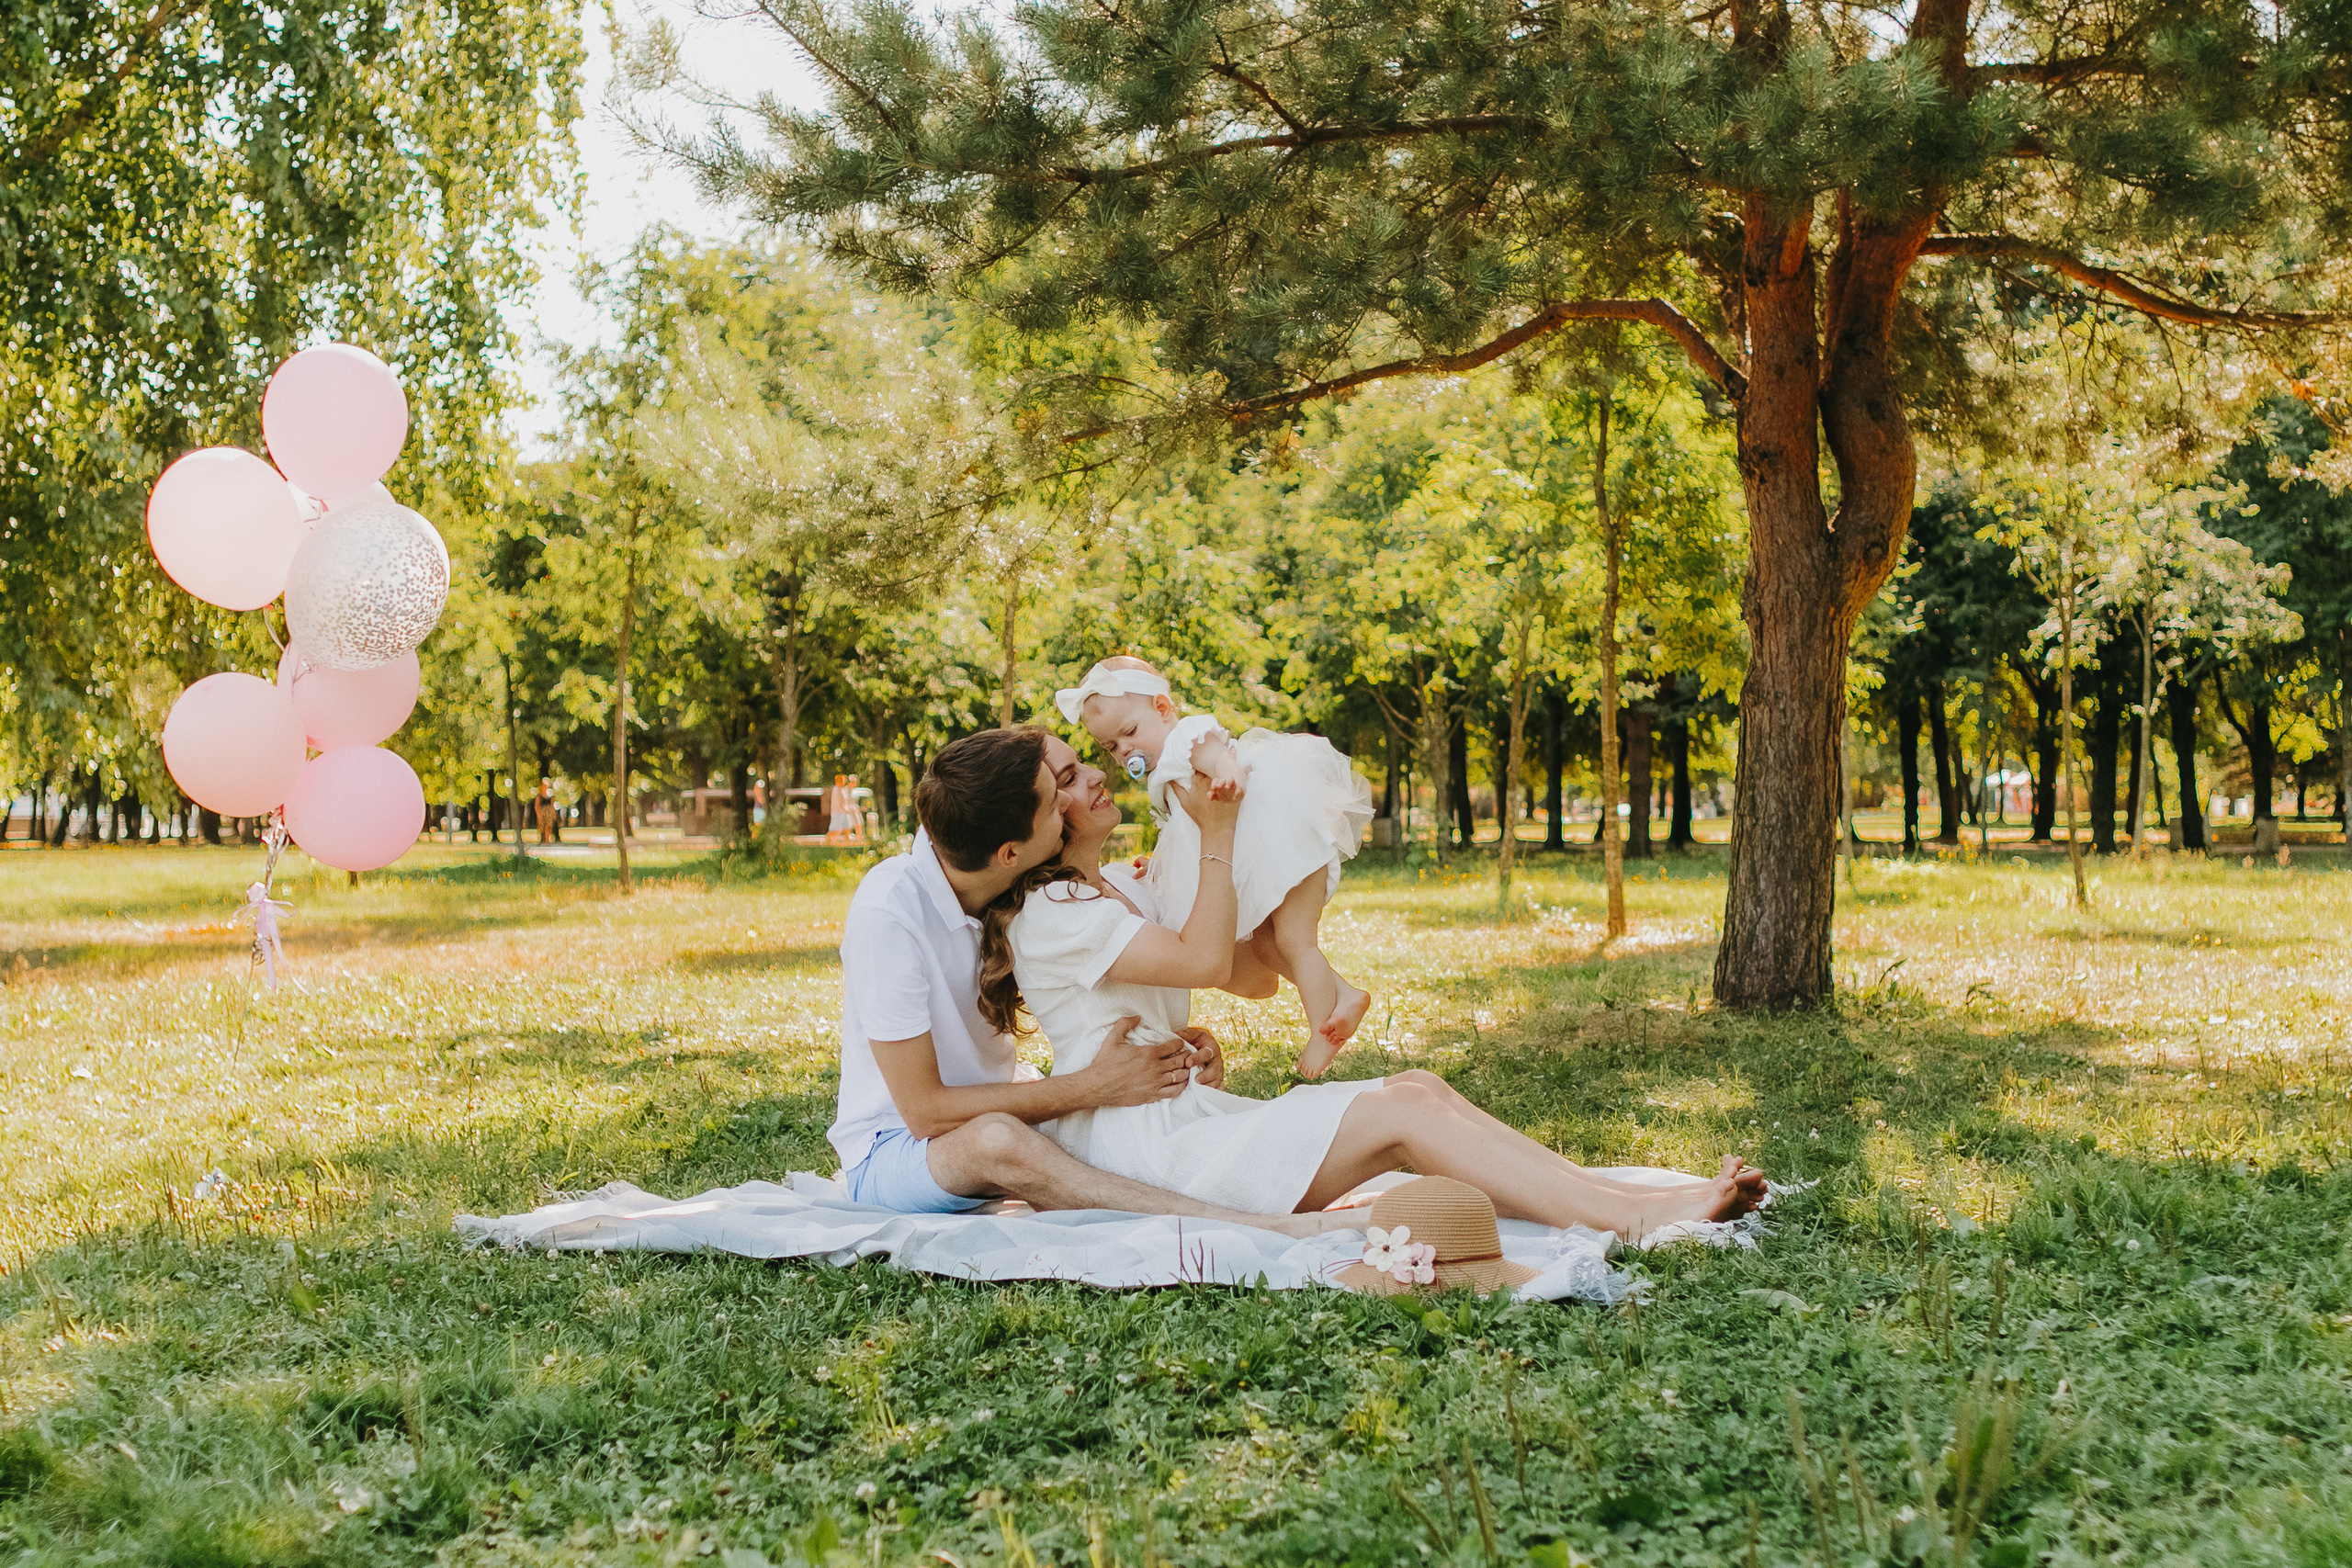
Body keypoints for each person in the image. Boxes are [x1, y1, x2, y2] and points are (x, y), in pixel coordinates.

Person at [981, 731, 1769, 1240]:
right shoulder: (1049, 909)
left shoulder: (1122, 883)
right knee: (1397, 1116)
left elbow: (1243, 977)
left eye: (1082, 763)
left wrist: (1274, 935)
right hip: (1142, 1146)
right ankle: (1637, 1217)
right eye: (1066, 778)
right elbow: (1199, 962)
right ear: (1039, 819)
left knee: (1417, 1084)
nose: (1092, 775)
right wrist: (1217, 836)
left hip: (1178, 1108)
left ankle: (1600, 1195)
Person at [824, 728, 1351, 1237]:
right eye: (1056, 801)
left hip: (997, 1104)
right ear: (1010, 853)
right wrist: (1091, 1087)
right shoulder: (890, 913)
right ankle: (1253, 1226)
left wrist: (1166, 1045)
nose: (1070, 806)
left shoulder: (998, 878)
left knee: (1070, 1131)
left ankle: (1259, 1183)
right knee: (997, 1139)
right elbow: (923, 1112)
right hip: (895, 1150)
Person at [1059, 656, 1374, 1077]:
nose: (1125, 751)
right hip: (1260, 858)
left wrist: (1229, 776)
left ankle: (1325, 1028)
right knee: (1266, 944)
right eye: (1111, 747)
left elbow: (1222, 759)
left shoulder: (1185, 738)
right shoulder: (1164, 769)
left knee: (1296, 939)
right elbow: (1189, 830)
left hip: (1284, 844)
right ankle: (1345, 995)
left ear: (1162, 708)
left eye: (1130, 733)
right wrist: (1160, 862)